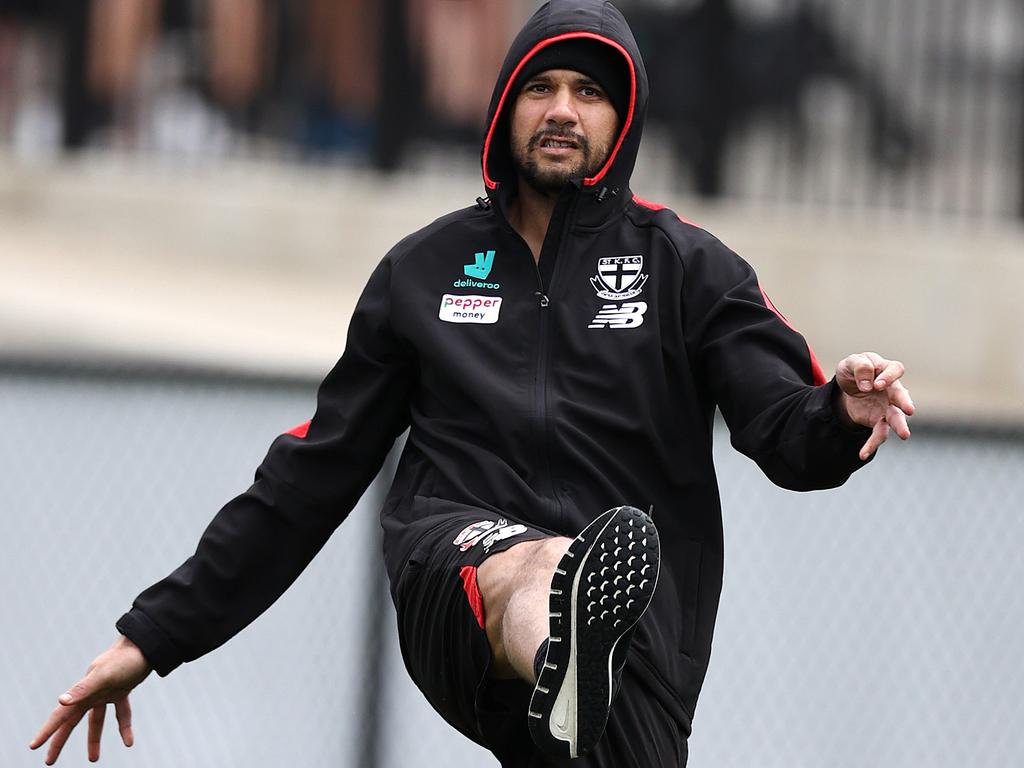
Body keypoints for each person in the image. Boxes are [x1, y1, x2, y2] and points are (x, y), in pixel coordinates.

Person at [30, 1, 914, 766]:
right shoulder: (420, 273)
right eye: (542, 88)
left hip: (644, 640)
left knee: (597, 666)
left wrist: (840, 408)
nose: (563, 109)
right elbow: (307, 477)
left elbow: (789, 436)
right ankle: (565, 641)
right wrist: (154, 634)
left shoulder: (691, 270)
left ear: (623, 120)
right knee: (547, 565)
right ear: (504, 108)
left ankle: (577, 672)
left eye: (590, 92)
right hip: (451, 567)